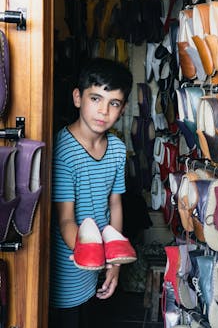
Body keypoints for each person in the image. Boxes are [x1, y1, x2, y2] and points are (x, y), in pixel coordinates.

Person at [49, 57, 133, 328]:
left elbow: (116, 204)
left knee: (89, 316)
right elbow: (64, 218)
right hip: (68, 264)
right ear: (77, 98)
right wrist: (87, 253)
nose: (103, 111)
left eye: (114, 103)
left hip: (94, 270)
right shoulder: (63, 149)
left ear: (122, 109)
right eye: (95, 98)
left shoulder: (118, 150)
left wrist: (115, 264)